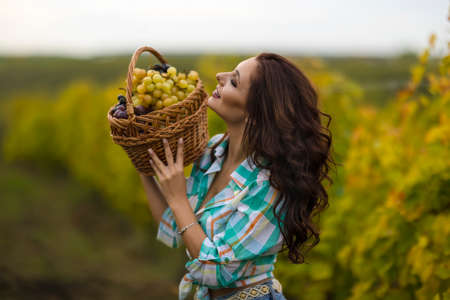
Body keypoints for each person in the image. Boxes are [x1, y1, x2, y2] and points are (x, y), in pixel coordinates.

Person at [140, 53, 336, 300]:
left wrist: (178, 198)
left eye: (234, 81)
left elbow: (215, 270)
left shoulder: (269, 182)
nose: (220, 77)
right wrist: (143, 165)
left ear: (255, 112)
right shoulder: (213, 152)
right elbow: (173, 225)